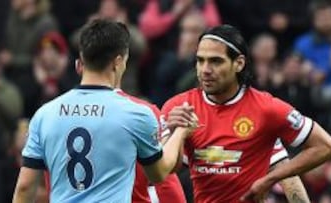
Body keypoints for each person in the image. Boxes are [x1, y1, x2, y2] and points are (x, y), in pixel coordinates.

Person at [12, 19, 194, 203]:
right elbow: (159, 174)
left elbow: (25, 187)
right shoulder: (136, 114)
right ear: (118, 62)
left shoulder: (45, 115)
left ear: (79, 64)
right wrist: (179, 133)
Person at [160, 24, 331, 202]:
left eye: (216, 61)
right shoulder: (178, 108)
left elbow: (326, 147)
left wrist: (269, 180)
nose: (205, 70)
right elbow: (165, 171)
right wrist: (177, 134)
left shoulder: (266, 109)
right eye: (200, 60)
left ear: (239, 63)